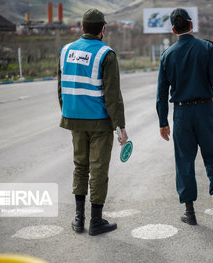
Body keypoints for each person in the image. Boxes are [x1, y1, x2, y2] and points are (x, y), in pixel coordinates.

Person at [156, 8, 213, 225]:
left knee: (184, 162)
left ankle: (190, 213)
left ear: (174, 29)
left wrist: (163, 122)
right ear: (191, 26)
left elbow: (161, 94)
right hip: (204, 111)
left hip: (182, 114)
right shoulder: (207, 48)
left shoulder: (167, 56)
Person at [58, 8, 128, 236]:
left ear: (82, 28)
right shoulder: (106, 54)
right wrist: (120, 127)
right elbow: (112, 95)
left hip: (74, 119)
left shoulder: (65, 50)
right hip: (99, 122)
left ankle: (79, 219)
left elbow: (61, 87)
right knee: (98, 169)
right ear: (103, 30)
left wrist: (69, 112)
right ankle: (96, 222)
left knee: (80, 166)